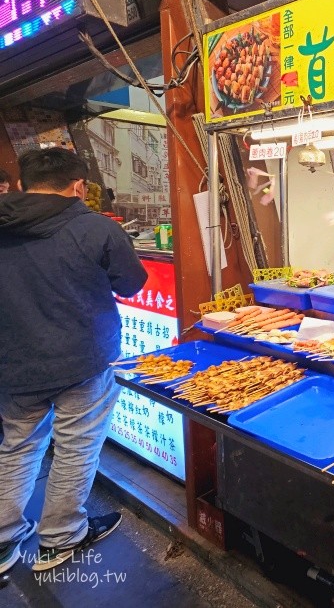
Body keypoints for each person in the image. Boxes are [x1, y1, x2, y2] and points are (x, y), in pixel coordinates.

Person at [0, 148, 147, 574]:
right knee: (75, 446)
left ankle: (4, 540)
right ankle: (61, 538)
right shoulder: (95, 228)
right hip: (82, 359)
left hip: (13, 363)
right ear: (79, 186)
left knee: (16, 447)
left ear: (23, 185)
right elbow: (131, 285)